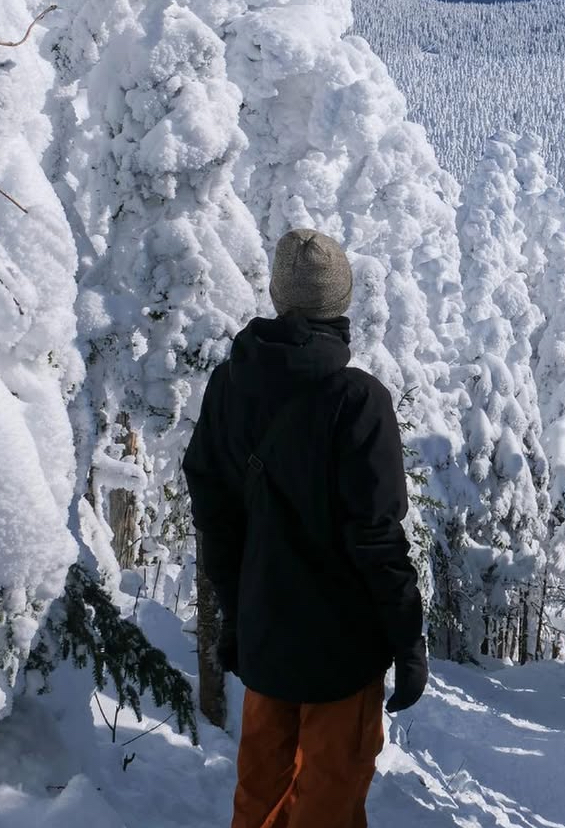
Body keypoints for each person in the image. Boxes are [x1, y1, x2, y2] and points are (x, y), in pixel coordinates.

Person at [184, 228, 429, 828]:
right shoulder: (358, 400)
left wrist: (239, 619)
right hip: (343, 650)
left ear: (279, 296)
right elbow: (376, 537)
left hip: (267, 636)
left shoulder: (228, 387)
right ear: (340, 301)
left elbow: (215, 517)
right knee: (328, 804)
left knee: (260, 798)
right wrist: (407, 640)